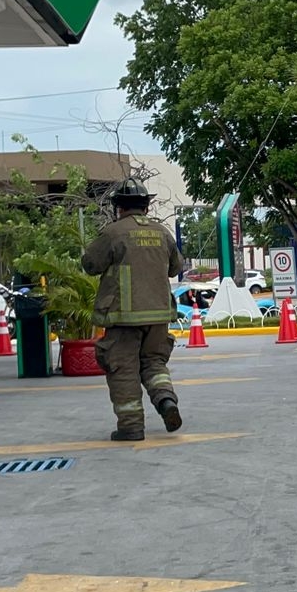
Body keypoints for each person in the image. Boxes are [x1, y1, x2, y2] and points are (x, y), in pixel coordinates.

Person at [80, 178, 186, 440]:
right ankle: (165, 401)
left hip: (123, 318)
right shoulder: (163, 233)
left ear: (119, 207)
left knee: (123, 369)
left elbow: (90, 265)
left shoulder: (113, 233)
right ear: (147, 207)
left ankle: (131, 426)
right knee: (154, 363)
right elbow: (175, 267)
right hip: (159, 316)